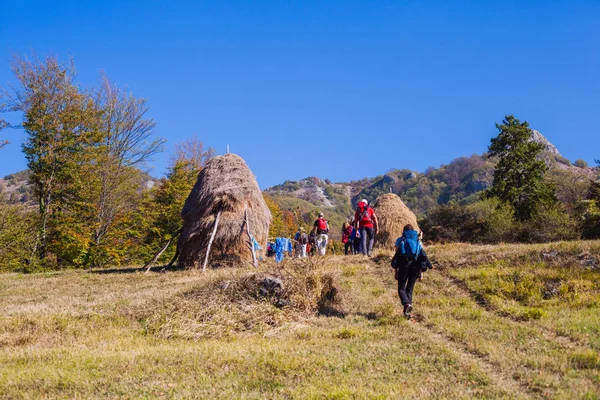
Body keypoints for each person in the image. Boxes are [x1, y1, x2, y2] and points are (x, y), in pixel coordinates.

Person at [391, 224, 432, 319]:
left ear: (404, 231)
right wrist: (421, 272)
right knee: (409, 289)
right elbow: (421, 257)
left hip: (403, 265)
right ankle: (407, 311)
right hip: (415, 266)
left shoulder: (400, 240)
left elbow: (397, 256)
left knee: (401, 288)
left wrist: (396, 271)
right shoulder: (418, 241)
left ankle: (406, 304)